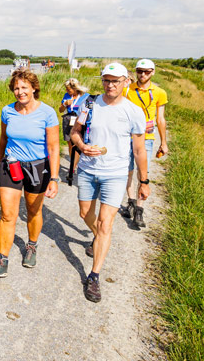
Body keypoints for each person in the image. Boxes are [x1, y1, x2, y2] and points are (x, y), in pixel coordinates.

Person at [70, 62, 150, 302]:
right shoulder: (90, 103)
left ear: (126, 81)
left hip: (115, 173)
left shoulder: (134, 111)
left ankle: (94, 276)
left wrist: (143, 181)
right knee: (85, 214)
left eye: (116, 80)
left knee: (106, 224)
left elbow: (139, 150)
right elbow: (75, 131)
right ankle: (99, 237)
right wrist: (82, 146)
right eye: (106, 80)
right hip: (87, 169)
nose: (110, 84)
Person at [0, 69, 60, 279]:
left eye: (24, 87)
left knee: (34, 211)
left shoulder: (47, 113)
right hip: (11, 166)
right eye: (16, 88)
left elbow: (54, 148)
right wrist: (0, 161)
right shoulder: (7, 111)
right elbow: (3, 139)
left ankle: (32, 245)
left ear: (34, 88)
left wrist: (54, 178)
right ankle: (2, 259)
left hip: (37, 167)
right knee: (8, 215)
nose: (20, 91)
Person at [120, 58, 168, 227]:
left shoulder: (159, 93)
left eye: (147, 71)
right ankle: (131, 201)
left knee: (143, 172)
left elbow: (160, 119)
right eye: (140, 71)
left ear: (153, 72)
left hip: (146, 137)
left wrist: (164, 142)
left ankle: (139, 211)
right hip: (127, 136)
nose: (143, 74)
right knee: (128, 171)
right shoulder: (127, 90)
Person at [59, 78, 90, 167]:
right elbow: (60, 110)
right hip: (68, 120)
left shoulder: (85, 96)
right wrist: (65, 104)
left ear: (76, 88)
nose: (67, 91)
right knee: (70, 144)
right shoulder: (66, 96)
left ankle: (73, 166)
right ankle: (73, 164)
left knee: (77, 143)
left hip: (79, 120)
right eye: (66, 89)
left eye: (69, 89)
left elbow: (89, 109)